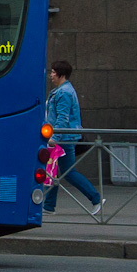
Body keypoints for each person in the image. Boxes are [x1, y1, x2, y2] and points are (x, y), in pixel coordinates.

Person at [43, 60, 103, 216]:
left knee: (67, 172)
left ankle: (96, 199)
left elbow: (62, 117)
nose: (51, 75)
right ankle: (48, 206)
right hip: (64, 137)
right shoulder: (63, 90)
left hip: (63, 138)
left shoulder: (63, 93)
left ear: (61, 74)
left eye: (53, 72)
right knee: (53, 172)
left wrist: (55, 137)